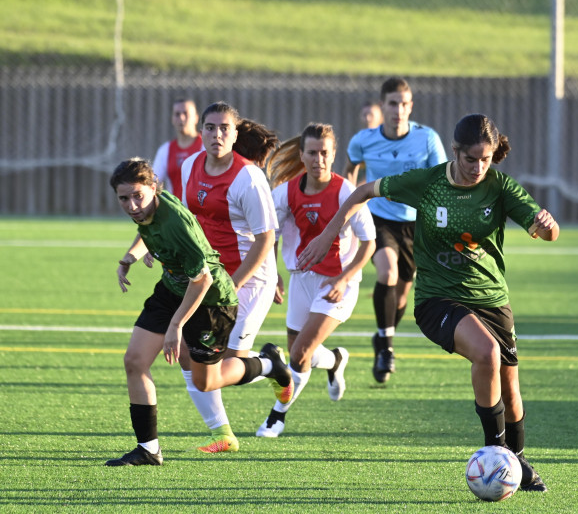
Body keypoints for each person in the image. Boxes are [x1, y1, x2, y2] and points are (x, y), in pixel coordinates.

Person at [301, 113, 557, 492]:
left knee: (510, 386)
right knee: (486, 353)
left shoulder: (500, 187)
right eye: (471, 159)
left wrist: (547, 226)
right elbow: (362, 192)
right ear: (455, 152)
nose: (478, 168)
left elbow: (547, 230)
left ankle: (516, 461)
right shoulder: (428, 182)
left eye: (485, 160)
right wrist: (328, 234)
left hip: (491, 298)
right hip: (438, 298)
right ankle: (496, 452)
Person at [106, 158, 291, 466]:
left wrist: (176, 325)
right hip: (172, 289)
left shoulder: (176, 222)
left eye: (137, 196)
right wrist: (131, 256)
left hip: (211, 301)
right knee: (135, 361)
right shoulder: (149, 208)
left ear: (153, 188)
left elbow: (203, 279)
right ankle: (149, 449)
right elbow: (148, 232)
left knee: (207, 381)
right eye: (124, 198)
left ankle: (269, 365)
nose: (132, 205)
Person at [178, 103, 286, 452]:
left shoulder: (249, 178)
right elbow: (186, 220)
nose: (217, 134)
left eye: (225, 128)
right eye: (210, 127)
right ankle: (222, 433)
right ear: (202, 132)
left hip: (249, 282)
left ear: (236, 134)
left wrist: (233, 286)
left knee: (226, 365)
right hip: (210, 279)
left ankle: (272, 365)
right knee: (186, 355)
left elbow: (266, 239)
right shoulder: (189, 166)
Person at [255, 123, 376, 437]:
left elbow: (369, 242)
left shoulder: (347, 192)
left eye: (325, 152)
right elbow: (270, 235)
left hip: (338, 283)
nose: (319, 158)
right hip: (301, 279)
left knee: (296, 355)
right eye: (312, 152)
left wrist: (344, 279)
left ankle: (276, 416)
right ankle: (335, 360)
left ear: (334, 155)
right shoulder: (286, 192)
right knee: (301, 353)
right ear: (302, 154)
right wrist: (274, 274)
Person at [344, 77, 447, 383]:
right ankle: (387, 346)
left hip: (415, 223)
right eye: (392, 103)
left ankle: (382, 336)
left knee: (402, 296)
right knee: (387, 273)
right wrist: (353, 208)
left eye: (404, 104)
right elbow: (350, 170)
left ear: (410, 107)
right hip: (379, 218)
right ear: (383, 106)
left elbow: (441, 180)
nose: (398, 110)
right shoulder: (364, 139)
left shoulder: (427, 139)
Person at [152, 98, 203, 196]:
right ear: (172, 119)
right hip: (176, 209)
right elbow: (153, 182)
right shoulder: (165, 150)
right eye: (177, 114)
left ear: (196, 118)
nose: (181, 118)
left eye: (186, 113)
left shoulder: (206, 147)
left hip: (201, 210)